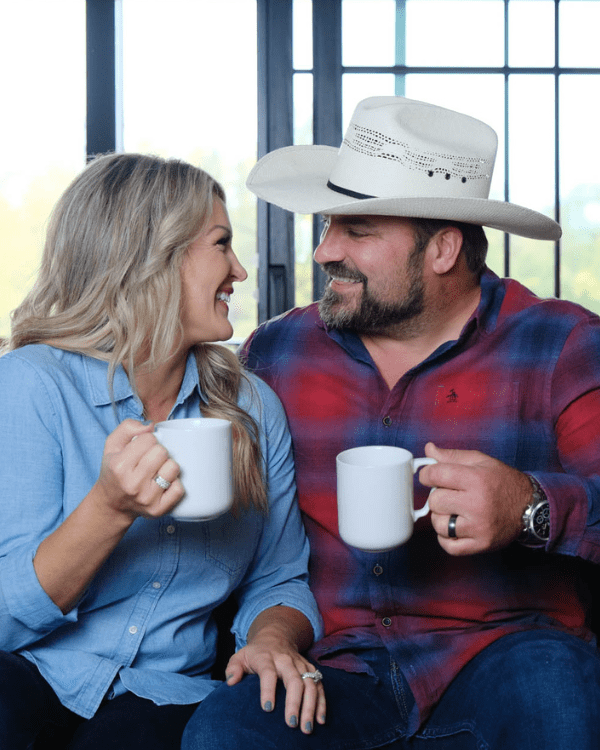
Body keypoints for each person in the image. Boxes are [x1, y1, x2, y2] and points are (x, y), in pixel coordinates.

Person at [182, 96, 600, 749]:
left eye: (359, 230)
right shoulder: (276, 353)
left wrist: (529, 508)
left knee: (557, 686)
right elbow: (244, 540)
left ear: (443, 249)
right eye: (326, 226)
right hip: (333, 672)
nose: (324, 252)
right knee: (225, 729)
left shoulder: (561, 345)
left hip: (505, 658)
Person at [0, 152, 326, 750]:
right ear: (153, 258)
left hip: (167, 694)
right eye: (221, 244)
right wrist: (108, 508)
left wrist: (274, 637)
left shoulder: (252, 408)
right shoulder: (30, 385)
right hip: (32, 673)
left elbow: (279, 576)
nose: (239, 271)